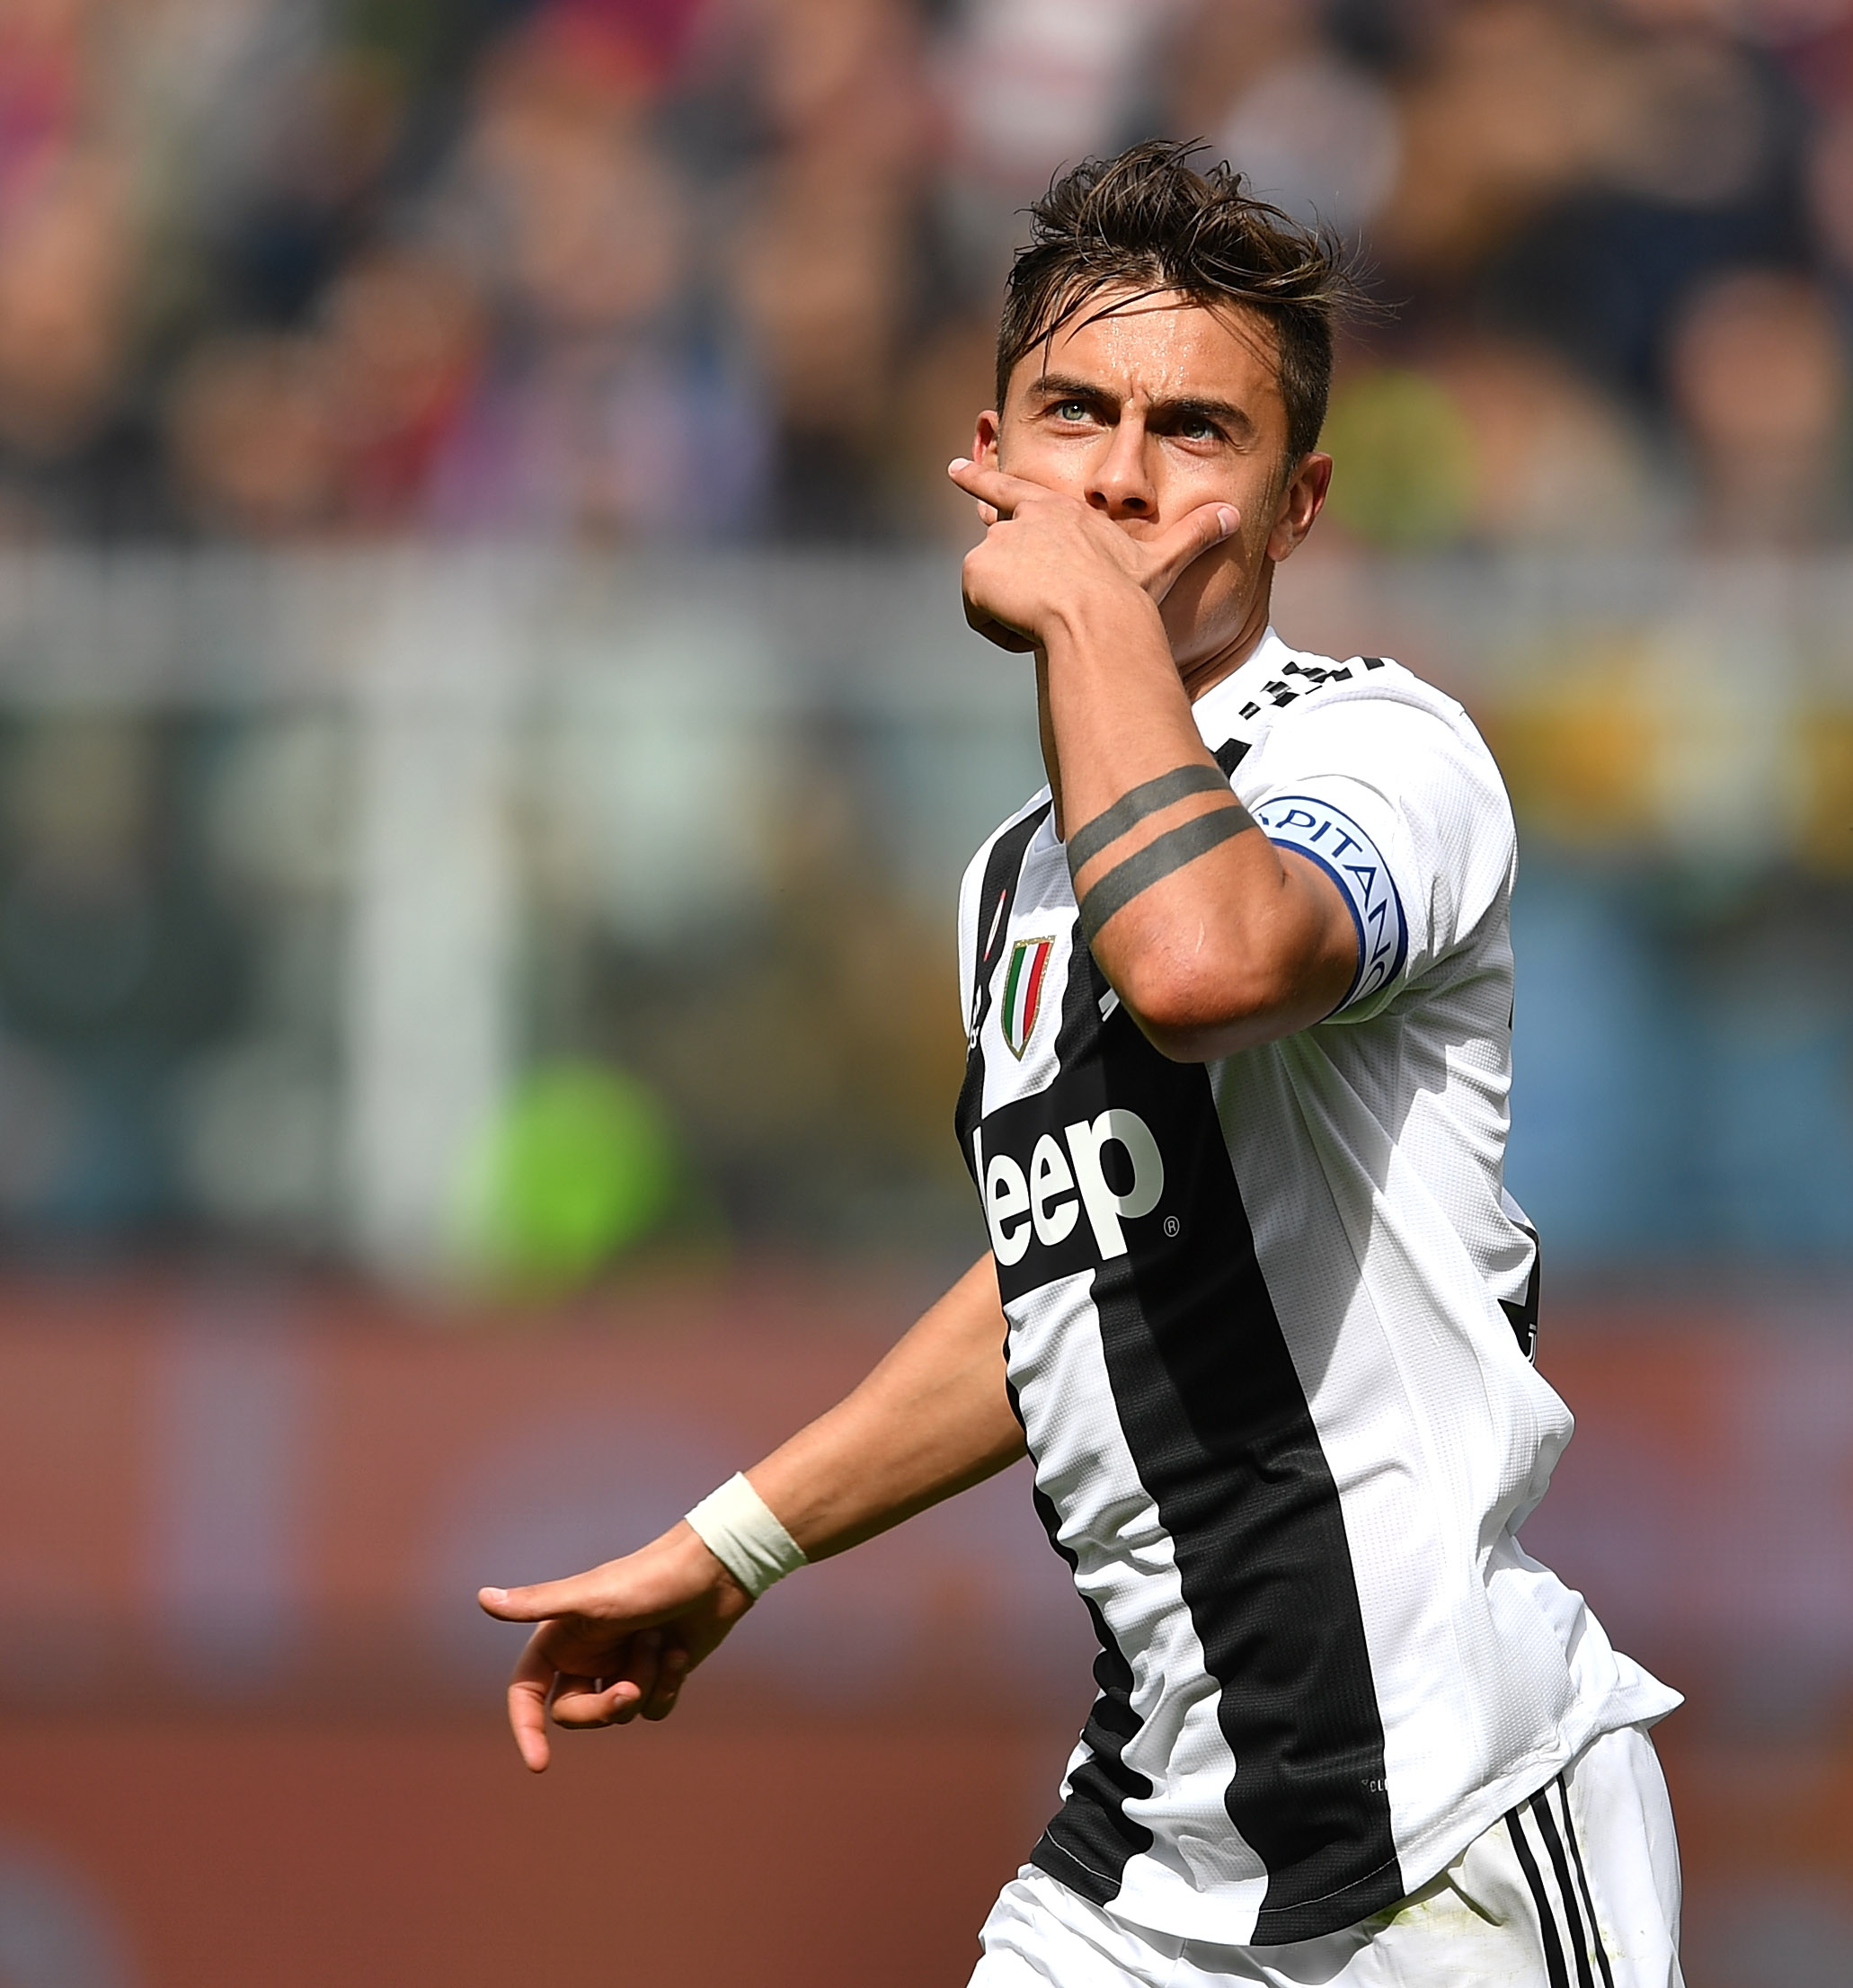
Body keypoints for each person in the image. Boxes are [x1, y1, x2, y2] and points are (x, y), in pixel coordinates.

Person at [478, 141, 1686, 1988]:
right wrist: (737, 1541)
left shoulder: (1384, 754)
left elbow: (1206, 959)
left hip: (1444, 1834)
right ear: (989, 450)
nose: (1119, 475)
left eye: (1195, 431)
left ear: (1300, 504)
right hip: (1148, 1848)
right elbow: (1075, 1272)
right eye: (1074, 414)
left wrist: (1090, 609)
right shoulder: (1013, 885)